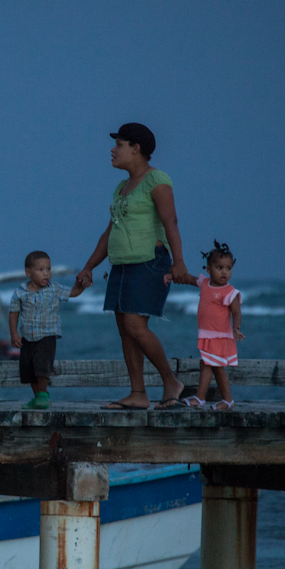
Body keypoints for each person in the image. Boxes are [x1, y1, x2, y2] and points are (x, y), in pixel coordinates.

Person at [75, 122, 189, 410]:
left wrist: (179, 262)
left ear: (136, 148)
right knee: (125, 330)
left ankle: (171, 382)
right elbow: (109, 231)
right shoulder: (121, 188)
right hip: (121, 266)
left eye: (119, 144)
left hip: (149, 262)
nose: (112, 150)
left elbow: (171, 222)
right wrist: (89, 267)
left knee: (135, 326)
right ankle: (138, 393)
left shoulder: (156, 179)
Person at [166, 241, 244, 410]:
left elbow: (236, 312)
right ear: (209, 268)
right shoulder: (204, 283)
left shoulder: (230, 292)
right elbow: (188, 279)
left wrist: (236, 328)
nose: (224, 272)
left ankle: (209, 399)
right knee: (210, 366)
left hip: (219, 336)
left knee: (212, 366)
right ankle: (217, 399)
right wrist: (172, 276)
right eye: (219, 268)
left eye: (228, 268)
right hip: (207, 335)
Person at [9, 251, 85, 409]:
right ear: (28, 272)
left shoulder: (54, 289)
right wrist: (14, 333)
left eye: (48, 269)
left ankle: (43, 395)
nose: (46, 273)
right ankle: (38, 397)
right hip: (27, 338)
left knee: (41, 365)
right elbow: (14, 313)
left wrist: (82, 285)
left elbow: (73, 292)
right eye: (40, 270)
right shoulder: (19, 293)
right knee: (28, 369)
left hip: (47, 336)